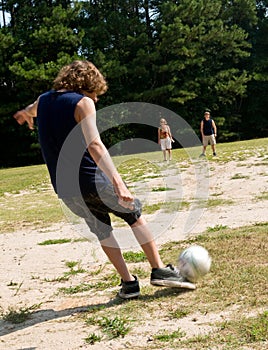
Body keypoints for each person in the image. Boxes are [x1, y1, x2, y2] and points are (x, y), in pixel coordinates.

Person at [13, 60, 195, 299]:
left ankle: (128, 284)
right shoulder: (82, 102)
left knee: (102, 230)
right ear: (87, 85)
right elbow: (95, 145)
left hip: (65, 189)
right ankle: (159, 269)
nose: (96, 99)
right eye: (95, 93)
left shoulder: (44, 99)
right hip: (90, 179)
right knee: (133, 214)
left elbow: (32, 108)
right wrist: (119, 182)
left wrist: (25, 114)